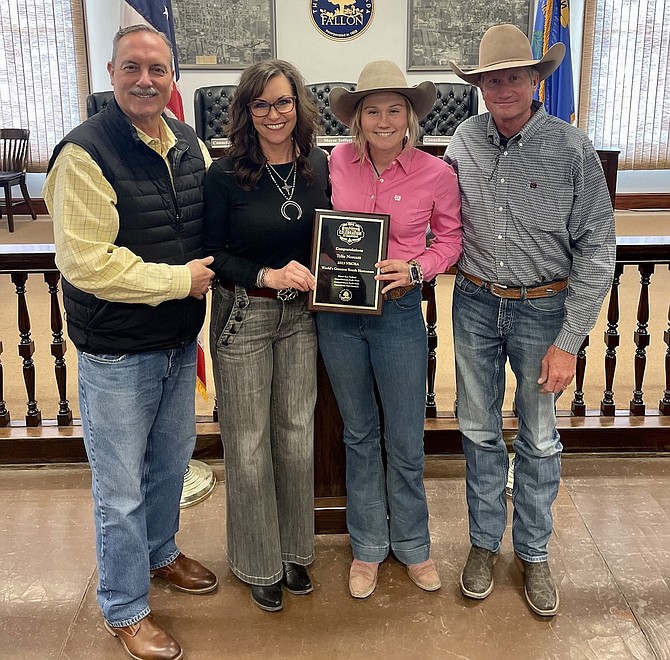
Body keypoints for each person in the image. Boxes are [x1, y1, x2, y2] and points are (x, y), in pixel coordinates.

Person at [43, 24, 217, 660]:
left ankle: (160, 553)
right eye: (132, 68)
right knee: (120, 489)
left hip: (175, 341)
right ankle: (124, 606)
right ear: (111, 74)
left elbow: (208, 225)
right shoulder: (84, 153)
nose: (146, 80)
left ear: (173, 78)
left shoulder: (188, 143)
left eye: (158, 70)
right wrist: (181, 279)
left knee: (170, 466)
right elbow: (85, 263)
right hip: (117, 352)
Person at [445, 24, 616, 616]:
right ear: (481, 87)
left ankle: (535, 552)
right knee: (477, 428)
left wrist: (569, 340)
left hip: (544, 309)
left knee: (539, 436)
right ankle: (484, 544)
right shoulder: (462, 143)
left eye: (514, 76)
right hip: (472, 302)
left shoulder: (572, 149)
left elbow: (598, 246)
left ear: (536, 81)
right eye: (492, 79)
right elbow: (441, 224)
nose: (502, 88)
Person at [318, 61, 462, 598]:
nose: (383, 120)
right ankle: (368, 548)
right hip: (339, 316)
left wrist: (417, 269)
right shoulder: (335, 162)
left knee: (404, 437)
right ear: (357, 118)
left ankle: (414, 546)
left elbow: (450, 240)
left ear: (410, 117)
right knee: (358, 433)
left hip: (400, 314)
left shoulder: (436, 173)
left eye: (393, 110)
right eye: (372, 110)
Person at [203, 60, 329, 613]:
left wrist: (326, 269)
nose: (274, 114)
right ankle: (258, 560)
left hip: (300, 318)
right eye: (261, 105)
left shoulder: (317, 167)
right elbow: (212, 255)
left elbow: (329, 238)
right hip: (244, 317)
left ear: (298, 106)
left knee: (297, 436)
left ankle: (296, 550)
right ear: (246, 112)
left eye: (283, 103)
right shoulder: (224, 174)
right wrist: (267, 275)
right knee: (249, 446)